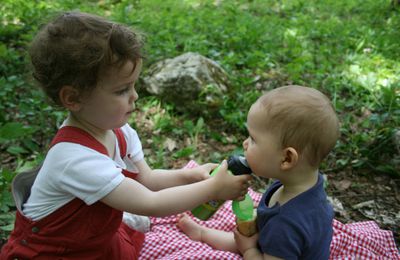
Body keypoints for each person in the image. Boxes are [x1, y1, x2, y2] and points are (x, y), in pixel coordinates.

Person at [0, 12, 251, 259]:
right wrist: (212, 189)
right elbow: (150, 203)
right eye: (122, 90)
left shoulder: (118, 131)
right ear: (73, 98)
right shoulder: (73, 159)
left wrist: (188, 176)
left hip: (94, 241)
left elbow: (147, 179)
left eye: (133, 85)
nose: (135, 96)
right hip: (55, 252)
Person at [178, 85, 340, 259]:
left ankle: (209, 236)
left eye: (253, 139)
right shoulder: (302, 185)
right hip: (272, 245)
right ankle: (203, 233)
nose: (245, 144)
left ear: (286, 159)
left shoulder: (285, 224)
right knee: (242, 239)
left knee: (244, 243)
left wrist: (249, 250)